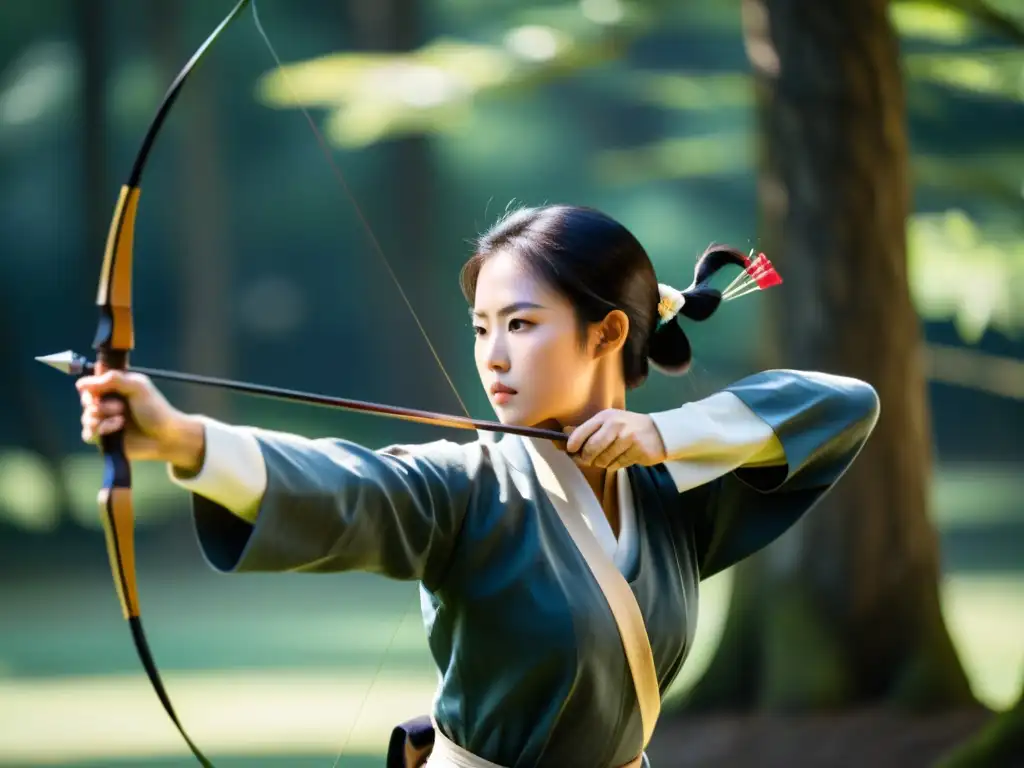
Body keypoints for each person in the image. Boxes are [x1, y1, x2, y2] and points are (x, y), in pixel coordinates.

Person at [76, 205, 880, 768]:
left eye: (521, 325)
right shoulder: (462, 490)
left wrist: (664, 435)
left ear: (607, 332)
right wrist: (183, 439)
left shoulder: (673, 495)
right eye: (481, 328)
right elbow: (354, 487)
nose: (492, 356)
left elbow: (844, 406)